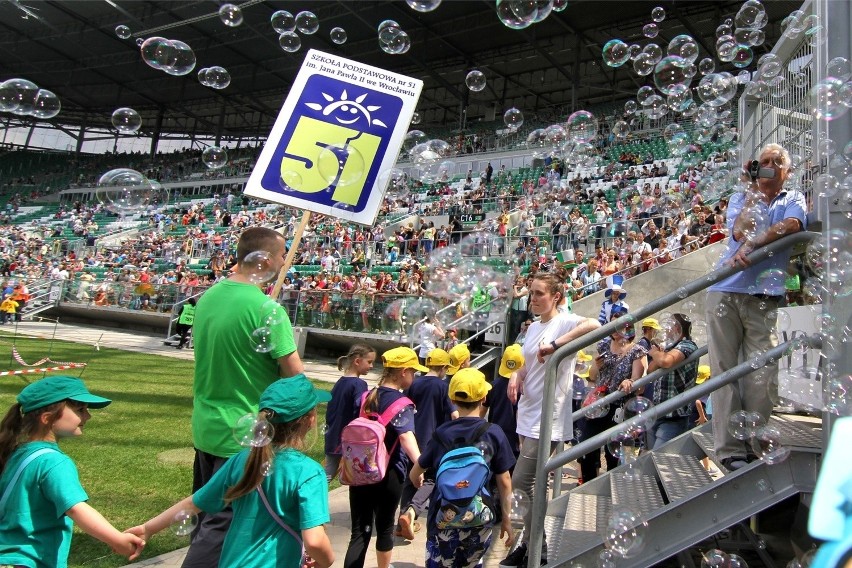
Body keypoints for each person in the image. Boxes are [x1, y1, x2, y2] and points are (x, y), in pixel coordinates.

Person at [186, 227, 304, 567]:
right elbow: (295, 378)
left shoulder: (209, 297)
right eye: (283, 255)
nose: (285, 262)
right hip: (244, 437)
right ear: (265, 260)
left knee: (206, 517)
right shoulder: (266, 309)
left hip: (207, 428)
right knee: (220, 532)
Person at [128, 375, 334, 568]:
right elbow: (315, 541)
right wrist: (326, 561)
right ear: (310, 419)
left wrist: (148, 529)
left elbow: (193, 503)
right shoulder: (310, 472)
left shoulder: (242, 459)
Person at [706, 143, 806, 471]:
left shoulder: (793, 198)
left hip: (765, 297)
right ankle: (729, 449)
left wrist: (756, 242)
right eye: (764, 162)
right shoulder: (742, 197)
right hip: (726, 291)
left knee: (763, 373)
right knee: (725, 372)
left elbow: (792, 226)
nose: (770, 166)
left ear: (787, 171)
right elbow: (737, 230)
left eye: (778, 162)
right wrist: (751, 192)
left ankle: (753, 440)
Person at [503, 269, 601, 567]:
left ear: (556, 296)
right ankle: (533, 546)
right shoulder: (533, 327)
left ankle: (538, 548)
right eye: (531, 292)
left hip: (549, 416)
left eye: (539, 293)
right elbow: (526, 361)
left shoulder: (564, 321)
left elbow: (595, 324)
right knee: (533, 484)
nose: (532, 298)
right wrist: (514, 377)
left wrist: (558, 345)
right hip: (528, 411)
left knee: (521, 481)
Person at [0, 376, 145, 566]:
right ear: (47, 418)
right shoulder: (54, 462)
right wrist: (116, 539)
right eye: (80, 410)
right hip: (31, 562)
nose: (88, 416)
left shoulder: (15, 452)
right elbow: (76, 508)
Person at [411, 368, 515, 568]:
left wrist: (418, 481)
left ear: (452, 397)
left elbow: (416, 472)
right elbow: (505, 481)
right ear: (484, 396)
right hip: (479, 516)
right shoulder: (493, 433)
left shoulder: (442, 433)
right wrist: (507, 519)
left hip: (442, 516)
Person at [344, 347, 425, 568]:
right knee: (385, 527)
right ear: (403, 372)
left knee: (359, 531)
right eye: (413, 372)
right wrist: (421, 466)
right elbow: (407, 438)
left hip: (360, 469)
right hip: (389, 473)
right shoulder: (403, 404)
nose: (414, 376)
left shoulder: (366, 396)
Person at [578, 307, 648, 483]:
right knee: (587, 447)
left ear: (628, 327)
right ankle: (588, 483)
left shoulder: (637, 350)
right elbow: (593, 377)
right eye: (612, 324)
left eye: (620, 326)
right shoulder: (603, 345)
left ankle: (610, 487)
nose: (616, 330)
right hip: (598, 404)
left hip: (618, 407)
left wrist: (630, 381)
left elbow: (639, 383)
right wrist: (597, 365)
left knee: (613, 453)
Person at [396, 348, 458, 541]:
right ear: (445, 368)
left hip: (412, 437)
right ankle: (413, 511)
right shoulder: (442, 387)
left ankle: (402, 521)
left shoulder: (414, 383)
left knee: (410, 478)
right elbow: (454, 414)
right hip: (433, 440)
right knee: (430, 479)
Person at [646, 313, 699, 449]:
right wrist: (658, 353)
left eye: (668, 325)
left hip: (674, 417)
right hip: (657, 413)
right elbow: (650, 371)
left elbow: (666, 361)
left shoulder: (687, 345)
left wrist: (655, 354)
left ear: (677, 328)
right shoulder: (668, 348)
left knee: (660, 460)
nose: (664, 329)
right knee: (651, 459)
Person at [324, 344, 376, 482]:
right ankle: (311, 495)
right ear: (357, 361)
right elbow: (361, 408)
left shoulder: (340, 382)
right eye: (369, 362)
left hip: (333, 434)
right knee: (330, 473)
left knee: (330, 469)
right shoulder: (359, 384)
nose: (371, 366)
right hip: (345, 437)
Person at [486, 344, 524, 460]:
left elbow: (482, 410)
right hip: (516, 440)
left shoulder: (493, 385)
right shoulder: (524, 388)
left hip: (494, 437)